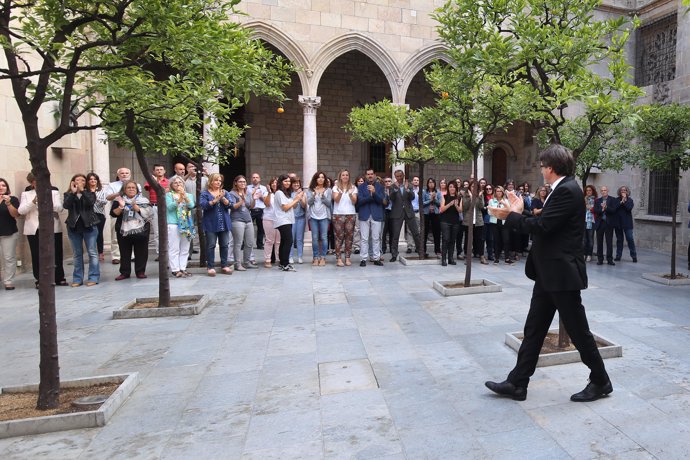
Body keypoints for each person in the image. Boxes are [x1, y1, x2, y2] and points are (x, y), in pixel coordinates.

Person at [485, 144, 612, 402]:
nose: (541, 170)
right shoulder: (561, 190)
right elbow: (549, 221)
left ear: (551, 168)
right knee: (534, 329)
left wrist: (510, 216)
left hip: (562, 275)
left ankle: (600, 381)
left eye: (542, 166)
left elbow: (543, 227)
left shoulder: (568, 190)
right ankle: (517, 383)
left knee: (578, 332)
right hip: (548, 274)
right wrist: (521, 211)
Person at [18, 172, 67, 288]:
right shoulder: (26, 194)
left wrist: (48, 199)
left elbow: (60, 208)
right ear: (31, 183)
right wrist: (33, 202)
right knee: (36, 255)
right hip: (34, 229)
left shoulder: (53, 192)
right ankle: (40, 279)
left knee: (56, 253)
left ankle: (59, 277)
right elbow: (21, 211)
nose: (37, 183)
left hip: (52, 227)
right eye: (34, 182)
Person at [110, 180, 153, 280]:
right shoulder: (119, 200)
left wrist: (137, 209)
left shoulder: (144, 200)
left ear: (137, 190)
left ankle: (140, 271)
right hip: (123, 231)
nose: (131, 189)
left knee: (141, 252)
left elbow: (150, 214)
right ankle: (125, 272)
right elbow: (113, 214)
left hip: (141, 230)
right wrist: (121, 206)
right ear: (124, 190)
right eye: (128, 187)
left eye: (133, 188)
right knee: (124, 252)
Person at [63, 174, 100, 287]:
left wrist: (83, 191)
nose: (80, 182)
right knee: (77, 254)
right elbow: (66, 205)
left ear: (86, 183)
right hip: (73, 226)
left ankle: (93, 277)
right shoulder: (68, 194)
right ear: (72, 182)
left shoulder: (90, 193)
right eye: (77, 180)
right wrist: (74, 193)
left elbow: (90, 203)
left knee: (92, 252)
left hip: (89, 225)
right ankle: (77, 278)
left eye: (83, 180)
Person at [105, 167, 141, 264]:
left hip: (133, 212)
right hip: (118, 211)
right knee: (116, 235)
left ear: (130, 174)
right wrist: (119, 193)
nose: (124, 175)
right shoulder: (112, 185)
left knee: (132, 232)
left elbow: (139, 196)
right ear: (118, 175)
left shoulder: (136, 185)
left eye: (126, 173)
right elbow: (108, 197)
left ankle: (132, 255)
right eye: (122, 173)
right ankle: (116, 256)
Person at [200, 173, 233, 276]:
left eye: (220, 180)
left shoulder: (225, 192)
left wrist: (224, 199)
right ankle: (210, 267)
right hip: (210, 223)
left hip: (224, 222)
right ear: (211, 181)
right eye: (216, 180)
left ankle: (224, 265)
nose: (218, 182)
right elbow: (203, 205)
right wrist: (215, 200)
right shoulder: (205, 193)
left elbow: (231, 205)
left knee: (224, 245)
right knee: (211, 245)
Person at [166, 176, 196, 277]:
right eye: (175, 183)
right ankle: (175, 269)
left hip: (186, 224)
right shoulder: (169, 195)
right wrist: (179, 199)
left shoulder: (189, 195)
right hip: (174, 223)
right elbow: (170, 207)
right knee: (174, 248)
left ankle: (183, 268)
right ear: (171, 185)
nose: (178, 184)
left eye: (180, 183)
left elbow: (191, 205)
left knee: (185, 248)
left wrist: (184, 196)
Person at [274, 174, 303, 271]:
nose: (288, 183)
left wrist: (296, 199)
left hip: (289, 219)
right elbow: (285, 207)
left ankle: (282, 263)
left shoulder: (287, 193)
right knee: (289, 241)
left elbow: (293, 206)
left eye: (289, 181)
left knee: (284, 241)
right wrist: (296, 199)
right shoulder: (279, 193)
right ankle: (285, 263)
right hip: (283, 220)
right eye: (285, 181)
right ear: (281, 182)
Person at [389, 170, 420, 262]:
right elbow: (391, 198)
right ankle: (394, 254)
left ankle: (420, 250)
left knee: (416, 232)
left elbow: (413, 197)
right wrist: (395, 190)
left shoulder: (409, 185)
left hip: (409, 212)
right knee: (395, 235)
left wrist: (407, 190)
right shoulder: (392, 186)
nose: (399, 178)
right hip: (397, 213)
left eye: (400, 176)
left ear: (403, 176)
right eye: (397, 176)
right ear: (395, 177)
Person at [357, 168, 385, 267]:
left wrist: (374, 192)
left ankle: (376, 258)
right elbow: (359, 201)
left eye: (371, 174)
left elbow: (382, 201)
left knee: (376, 238)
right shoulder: (360, 187)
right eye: (368, 174)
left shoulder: (380, 187)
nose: (370, 176)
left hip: (376, 214)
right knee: (364, 238)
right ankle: (363, 259)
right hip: (364, 214)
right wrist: (370, 197)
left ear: (375, 175)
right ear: (365, 176)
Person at [229, 175, 257, 271]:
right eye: (240, 182)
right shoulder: (232, 193)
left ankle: (247, 262)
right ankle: (237, 264)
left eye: (244, 182)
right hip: (237, 220)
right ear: (236, 183)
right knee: (238, 243)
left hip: (248, 219)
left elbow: (251, 206)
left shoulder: (248, 192)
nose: (243, 183)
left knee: (249, 242)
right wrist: (242, 200)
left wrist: (254, 198)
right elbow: (233, 207)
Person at [332, 169, 358, 267]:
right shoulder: (335, 187)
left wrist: (351, 194)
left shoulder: (353, 187)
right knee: (339, 237)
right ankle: (339, 258)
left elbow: (354, 201)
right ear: (340, 176)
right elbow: (336, 200)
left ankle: (347, 258)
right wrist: (340, 192)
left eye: (347, 175)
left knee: (349, 237)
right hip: (338, 214)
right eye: (343, 175)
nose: (345, 176)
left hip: (350, 214)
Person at [144, 164, 169, 258]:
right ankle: (160, 253)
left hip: (166, 207)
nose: (159, 171)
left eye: (161, 169)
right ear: (154, 172)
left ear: (164, 171)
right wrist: (155, 181)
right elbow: (150, 188)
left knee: (167, 230)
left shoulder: (168, 181)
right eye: (157, 170)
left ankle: (167, 251)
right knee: (157, 231)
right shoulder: (150, 181)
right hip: (154, 206)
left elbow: (166, 191)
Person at [307, 171, 332, 266]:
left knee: (324, 237)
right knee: (314, 238)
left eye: (322, 177)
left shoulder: (328, 190)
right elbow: (309, 203)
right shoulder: (310, 190)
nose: (320, 179)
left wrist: (322, 195)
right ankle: (315, 257)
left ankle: (323, 257)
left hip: (324, 217)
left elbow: (329, 204)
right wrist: (314, 194)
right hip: (313, 216)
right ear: (315, 179)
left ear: (324, 179)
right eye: (318, 177)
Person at [462, 180, 488, 264]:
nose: (474, 188)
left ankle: (481, 256)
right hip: (468, 221)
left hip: (478, 220)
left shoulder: (480, 195)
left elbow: (481, 206)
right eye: (472, 186)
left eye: (475, 186)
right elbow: (465, 207)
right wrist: (470, 197)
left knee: (480, 239)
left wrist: (479, 197)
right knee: (468, 239)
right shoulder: (465, 195)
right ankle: (467, 256)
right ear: (469, 187)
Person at [0, 178, 20, 290]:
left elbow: (16, 215)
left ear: (7, 188)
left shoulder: (13, 199)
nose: (1, 187)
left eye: (3, 185)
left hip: (9, 232)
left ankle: (8, 281)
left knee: (9, 257)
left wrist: (8, 203)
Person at [593, 185, 619, 266]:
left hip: (608, 224)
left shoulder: (612, 199)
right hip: (600, 224)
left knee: (609, 242)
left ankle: (609, 259)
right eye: (602, 190)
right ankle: (600, 259)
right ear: (601, 192)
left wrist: (606, 207)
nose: (603, 191)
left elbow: (614, 210)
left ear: (608, 191)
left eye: (605, 190)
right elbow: (596, 211)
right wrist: (602, 210)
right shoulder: (597, 201)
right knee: (599, 242)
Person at [439, 181, 462, 266]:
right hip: (445, 221)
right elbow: (441, 209)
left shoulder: (459, 198)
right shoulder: (444, 196)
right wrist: (449, 204)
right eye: (450, 187)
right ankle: (443, 259)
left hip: (455, 221)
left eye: (454, 187)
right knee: (445, 239)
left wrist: (456, 205)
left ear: (456, 188)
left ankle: (451, 258)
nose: (452, 188)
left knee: (452, 240)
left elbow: (460, 210)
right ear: (448, 188)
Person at [86, 173, 108, 261]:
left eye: (94, 179)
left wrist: (95, 197)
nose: (93, 181)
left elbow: (104, 202)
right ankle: (91, 252)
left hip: (99, 215)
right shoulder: (85, 191)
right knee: (90, 234)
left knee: (99, 234)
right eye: (90, 179)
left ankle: (100, 252)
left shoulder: (101, 191)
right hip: (88, 215)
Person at [488, 186, 513, 265]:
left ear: (502, 192)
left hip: (504, 222)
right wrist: (501, 211)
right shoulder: (491, 201)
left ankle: (507, 258)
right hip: (494, 222)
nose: (499, 193)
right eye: (497, 191)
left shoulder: (506, 201)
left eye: (500, 191)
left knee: (506, 240)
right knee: (496, 240)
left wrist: (496, 210)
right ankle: (496, 258)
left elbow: (508, 211)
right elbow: (489, 212)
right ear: (495, 192)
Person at [614, 186, 637, 263]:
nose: (623, 191)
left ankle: (634, 256)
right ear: (619, 192)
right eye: (622, 190)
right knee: (619, 240)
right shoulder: (616, 200)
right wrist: (621, 202)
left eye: (625, 190)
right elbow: (615, 208)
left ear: (627, 192)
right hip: (618, 223)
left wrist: (624, 201)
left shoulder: (630, 200)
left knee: (630, 239)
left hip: (627, 224)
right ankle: (618, 256)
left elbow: (629, 208)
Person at [262, 177, 281, 268]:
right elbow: (267, 204)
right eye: (272, 182)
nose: (274, 184)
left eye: (276, 182)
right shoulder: (266, 193)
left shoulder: (281, 193)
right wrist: (269, 192)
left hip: (279, 220)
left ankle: (278, 259)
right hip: (268, 218)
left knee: (278, 241)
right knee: (269, 240)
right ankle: (267, 259)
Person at [247, 173, 267, 250]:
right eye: (253, 177)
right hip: (251, 210)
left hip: (261, 210)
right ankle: (245, 244)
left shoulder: (264, 188)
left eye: (257, 177)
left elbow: (265, 200)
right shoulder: (247, 188)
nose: (255, 179)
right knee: (247, 227)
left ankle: (259, 244)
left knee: (261, 228)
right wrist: (252, 195)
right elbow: (246, 199)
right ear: (251, 179)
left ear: (259, 179)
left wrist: (261, 196)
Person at [289, 176, 307, 264]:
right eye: (294, 183)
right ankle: (290, 256)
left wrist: (300, 197)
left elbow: (304, 205)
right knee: (291, 238)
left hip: (301, 217)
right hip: (292, 218)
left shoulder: (303, 193)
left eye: (298, 183)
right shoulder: (289, 193)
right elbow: (293, 206)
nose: (296, 184)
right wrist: (296, 197)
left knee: (299, 238)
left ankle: (300, 256)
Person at [422, 178, 442, 258]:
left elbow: (440, 204)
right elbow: (422, 203)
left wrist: (434, 199)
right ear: (427, 184)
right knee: (425, 233)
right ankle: (423, 251)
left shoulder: (438, 192)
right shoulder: (424, 192)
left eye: (432, 182)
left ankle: (437, 251)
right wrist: (430, 200)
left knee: (436, 233)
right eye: (429, 182)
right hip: (426, 214)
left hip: (435, 214)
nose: (431, 184)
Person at [405, 176, 421, 253]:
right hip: (410, 212)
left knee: (417, 230)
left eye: (417, 180)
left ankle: (417, 246)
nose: (416, 181)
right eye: (414, 180)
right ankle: (409, 247)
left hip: (418, 212)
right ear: (412, 182)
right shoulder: (409, 190)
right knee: (409, 230)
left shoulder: (421, 190)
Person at [581, 185, 597, 262]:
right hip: (583, 221)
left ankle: (589, 254)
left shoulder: (596, 200)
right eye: (587, 190)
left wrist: (589, 206)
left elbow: (595, 210)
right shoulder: (582, 200)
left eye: (590, 190)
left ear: (592, 191)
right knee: (584, 239)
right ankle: (584, 254)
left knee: (590, 239)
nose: (588, 192)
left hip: (592, 221)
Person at [381, 177, 394, 255]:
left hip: (392, 212)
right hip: (384, 211)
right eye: (386, 181)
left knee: (392, 231)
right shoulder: (382, 191)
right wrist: (386, 194)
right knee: (384, 231)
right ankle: (383, 248)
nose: (387, 183)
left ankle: (392, 248)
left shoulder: (395, 191)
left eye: (389, 181)